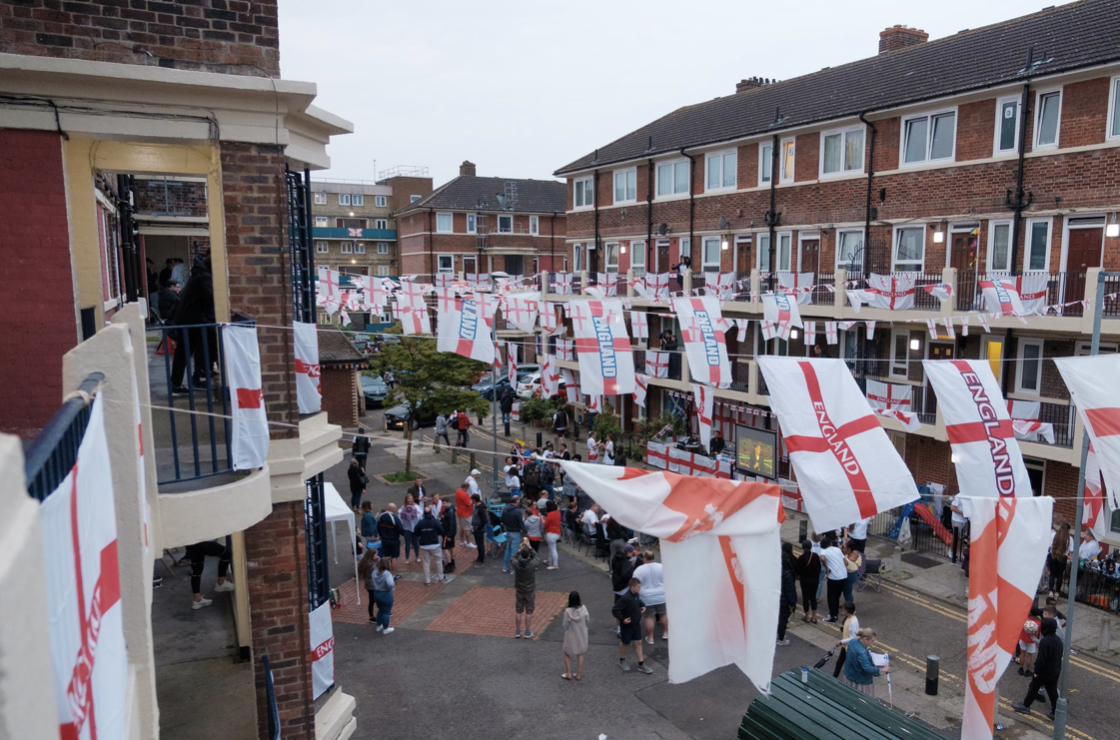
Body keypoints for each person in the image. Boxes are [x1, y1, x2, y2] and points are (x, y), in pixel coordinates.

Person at [170, 252, 216, 392]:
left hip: (186, 317)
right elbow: (211, 298)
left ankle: (177, 383)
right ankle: (210, 369)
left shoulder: (198, 274)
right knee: (213, 338)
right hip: (194, 318)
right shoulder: (205, 277)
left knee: (183, 352)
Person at [1013, 617, 1062, 719]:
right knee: (1052, 691)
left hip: (1044, 671)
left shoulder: (1045, 641)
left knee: (1033, 687)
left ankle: (1025, 706)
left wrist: (1036, 671)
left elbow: (1041, 659)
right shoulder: (1058, 640)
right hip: (1055, 670)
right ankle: (1056, 711)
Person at [612, 578, 653, 674]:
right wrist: (623, 619)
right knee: (624, 642)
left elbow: (638, 601)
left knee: (638, 642)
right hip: (627, 625)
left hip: (636, 624)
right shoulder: (625, 598)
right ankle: (621, 660)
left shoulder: (636, 595)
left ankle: (641, 664)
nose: (640, 588)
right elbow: (615, 610)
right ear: (632, 587)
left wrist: (643, 606)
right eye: (638, 587)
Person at [185, 540, 234, 610]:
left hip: (189, 542)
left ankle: (197, 599)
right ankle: (221, 583)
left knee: (197, 570)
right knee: (226, 553)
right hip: (201, 540)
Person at [633, 550, 668, 644]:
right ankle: (665, 633)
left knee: (649, 616)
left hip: (646, 597)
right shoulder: (661, 567)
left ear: (644, 558)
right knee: (663, 614)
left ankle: (650, 637)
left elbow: (634, 583)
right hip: (662, 595)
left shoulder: (639, 570)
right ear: (653, 557)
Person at [843, 627, 889, 697]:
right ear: (865, 639)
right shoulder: (862, 652)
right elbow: (867, 668)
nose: (873, 643)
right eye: (872, 641)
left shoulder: (853, 641)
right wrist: (882, 669)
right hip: (860, 680)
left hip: (849, 675)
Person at [561, 591, 590, 680]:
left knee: (566, 653)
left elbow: (565, 625)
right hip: (581, 635)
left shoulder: (567, 611)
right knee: (580, 654)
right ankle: (578, 674)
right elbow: (587, 619)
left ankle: (568, 673)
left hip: (571, 635)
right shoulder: (584, 608)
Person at [514, 540, 539, 638]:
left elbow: (512, 558)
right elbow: (537, 557)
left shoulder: (516, 564)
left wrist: (519, 550)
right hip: (530, 590)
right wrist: (530, 548)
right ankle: (527, 631)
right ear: (529, 555)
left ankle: (517, 630)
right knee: (529, 611)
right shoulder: (532, 564)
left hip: (519, 590)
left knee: (518, 610)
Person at [414, 506, 445, 585]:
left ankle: (427, 580)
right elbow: (441, 530)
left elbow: (416, 532)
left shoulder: (420, 522)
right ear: (431, 513)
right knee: (438, 561)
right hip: (435, 544)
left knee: (426, 563)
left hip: (424, 545)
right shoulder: (435, 521)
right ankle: (441, 577)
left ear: (424, 514)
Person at [821, 535, 847, 622]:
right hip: (843, 576)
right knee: (837, 596)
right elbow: (845, 562)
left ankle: (833, 616)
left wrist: (826, 567)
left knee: (831, 597)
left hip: (834, 577)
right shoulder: (837, 549)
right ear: (831, 543)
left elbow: (823, 558)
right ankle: (835, 614)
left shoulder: (824, 551)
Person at [795, 538, 821, 623]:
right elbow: (819, 569)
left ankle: (807, 617)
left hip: (805, 580)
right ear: (811, 547)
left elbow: (797, 571)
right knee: (813, 597)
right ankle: (814, 618)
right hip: (814, 580)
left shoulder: (800, 558)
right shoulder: (816, 556)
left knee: (805, 598)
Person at [832, 602, 860, 677]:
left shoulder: (853, 622)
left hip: (850, 648)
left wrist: (841, 642)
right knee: (839, 663)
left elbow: (853, 638)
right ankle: (834, 678)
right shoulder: (849, 617)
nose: (842, 611)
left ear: (847, 611)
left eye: (843, 609)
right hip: (846, 646)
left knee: (848, 667)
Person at [777, 541, 797, 646]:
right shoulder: (788, 574)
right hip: (785, 601)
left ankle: (778, 635)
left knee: (778, 618)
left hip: (776, 599)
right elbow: (790, 590)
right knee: (783, 620)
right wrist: (793, 602)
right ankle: (781, 639)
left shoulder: (775, 571)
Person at [368, 558, 395, 634]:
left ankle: (379, 626)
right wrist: (388, 588)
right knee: (386, 612)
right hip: (385, 594)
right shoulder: (387, 574)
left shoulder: (375, 572)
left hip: (376, 593)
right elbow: (390, 584)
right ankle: (385, 629)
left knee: (380, 610)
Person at [376, 503, 403, 574]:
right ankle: (393, 574)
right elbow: (400, 529)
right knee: (394, 557)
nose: (396, 510)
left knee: (386, 557)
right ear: (392, 509)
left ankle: (386, 573)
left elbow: (378, 527)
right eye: (395, 508)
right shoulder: (394, 518)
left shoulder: (381, 517)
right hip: (394, 540)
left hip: (384, 540)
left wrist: (381, 535)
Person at [501, 496, 526, 573]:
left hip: (508, 531)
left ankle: (505, 566)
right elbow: (521, 523)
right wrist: (525, 531)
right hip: (515, 532)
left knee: (508, 549)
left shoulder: (505, 509)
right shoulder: (518, 511)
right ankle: (513, 568)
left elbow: (502, 520)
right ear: (517, 501)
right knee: (514, 551)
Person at [1018, 606, 1043, 677]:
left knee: (1022, 654)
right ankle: (1027, 671)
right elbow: (1039, 633)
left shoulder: (1025, 619)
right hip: (1031, 641)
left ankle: (1021, 669)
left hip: (1023, 638)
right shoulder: (1038, 622)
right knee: (1029, 656)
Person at [1048, 522, 1070, 598]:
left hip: (1053, 555)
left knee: (1052, 574)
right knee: (1059, 576)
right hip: (1063, 557)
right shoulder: (1069, 539)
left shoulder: (1054, 535)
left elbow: (1050, 546)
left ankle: (1050, 591)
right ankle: (1057, 592)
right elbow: (1070, 551)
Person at [399, 493, 421, 563]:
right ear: (406, 499)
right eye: (409, 499)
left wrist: (414, 514)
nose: (410, 500)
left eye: (411, 498)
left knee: (416, 543)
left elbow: (420, 516)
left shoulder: (416, 506)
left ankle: (417, 556)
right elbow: (400, 518)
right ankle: (407, 558)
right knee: (407, 544)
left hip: (415, 528)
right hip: (407, 528)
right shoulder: (402, 508)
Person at [950, 492, 969, 564]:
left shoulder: (968, 496)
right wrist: (963, 513)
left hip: (965, 520)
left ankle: (958, 552)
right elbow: (952, 507)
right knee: (957, 537)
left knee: (961, 538)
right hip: (957, 520)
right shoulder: (958, 496)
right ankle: (954, 552)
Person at [543, 500, 562, 570]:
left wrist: (542, 518)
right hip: (557, 532)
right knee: (551, 548)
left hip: (551, 533)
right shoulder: (557, 513)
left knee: (553, 549)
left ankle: (555, 564)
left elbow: (545, 524)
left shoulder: (550, 514)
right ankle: (550, 560)